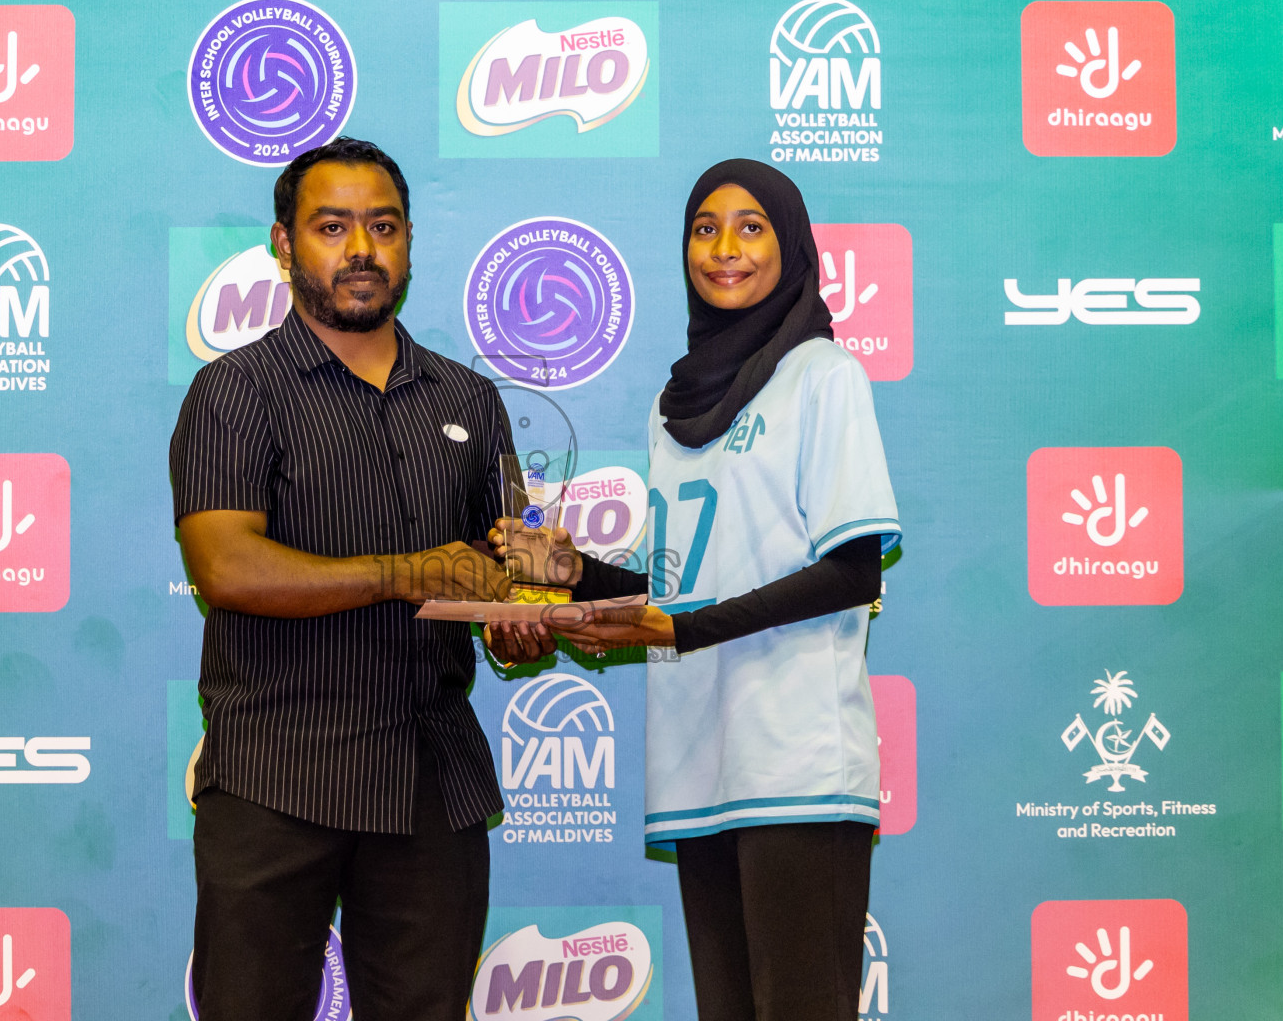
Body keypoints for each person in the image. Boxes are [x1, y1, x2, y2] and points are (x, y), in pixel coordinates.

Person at [493, 159, 900, 1021]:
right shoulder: (672, 406)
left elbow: (852, 570)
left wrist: (673, 634)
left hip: (798, 763)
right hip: (702, 766)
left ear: (790, 247)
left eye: (751, 227)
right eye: (705, 227)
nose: (724, 248)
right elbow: (681, 585)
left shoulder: (824, 375)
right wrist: (574, 578)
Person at [170, 137, 526, 1021]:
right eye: (332, 227)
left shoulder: (470, 401)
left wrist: (524, 617)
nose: (361, 248)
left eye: (384, 227)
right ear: (284, 246)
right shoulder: (234, 392)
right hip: (275, 782)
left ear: (408, 244)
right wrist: (406, 573)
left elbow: (502, 575)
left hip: (430, 784)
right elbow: (225, 568)